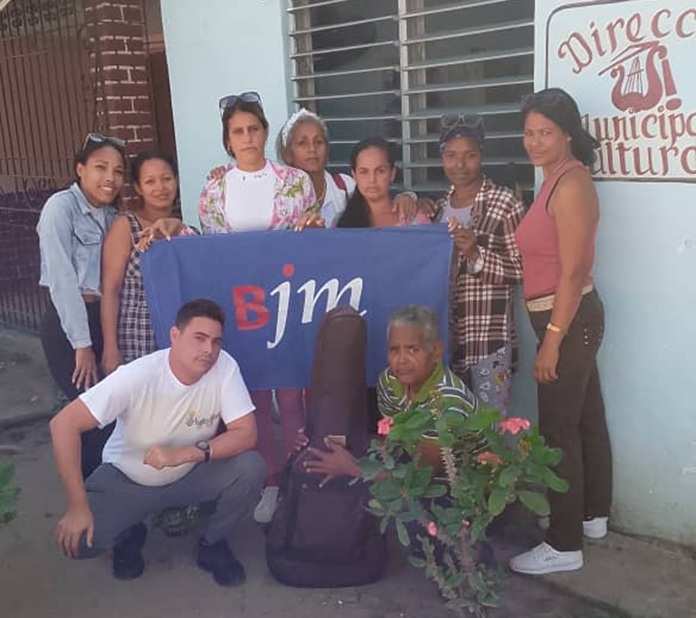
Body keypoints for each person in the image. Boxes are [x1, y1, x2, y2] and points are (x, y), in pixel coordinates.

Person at [49, 298, 266, 586]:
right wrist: (77, 507)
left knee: (251, 468)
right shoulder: (138, 375)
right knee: (78, 543)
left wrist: (183, 455)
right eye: (199, 338)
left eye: (216, 342)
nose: (209, 350)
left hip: (190, 474)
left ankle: (213, 543)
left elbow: (246, 433)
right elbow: (63, 424)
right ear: (175, 336)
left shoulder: (224, 367)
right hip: (129, 479)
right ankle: (130, 530)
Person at [198, 91, 320, 524]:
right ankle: (269, 482)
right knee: (252, 401)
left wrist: (313, 228)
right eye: (238, 131)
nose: (247, 137)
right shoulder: (214, 190)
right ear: (228, 140)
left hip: (288, 304)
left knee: (292, 397)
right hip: (241, 310)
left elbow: (314, 243)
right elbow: (210, 254)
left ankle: (299, 480)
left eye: (253, 128)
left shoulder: (295, 182)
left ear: (266, 132)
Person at [510, 88, 612, 575]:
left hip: (567, 320)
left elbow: (571, 273)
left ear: (567, 134)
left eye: (545, 133)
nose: (534, 142)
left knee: (558, 429)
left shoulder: (570, 184)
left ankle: (563, 544)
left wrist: (551, 340)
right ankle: (591, 517)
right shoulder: (556, 178)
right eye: (529, 133)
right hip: (569, 318)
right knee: (586, 417)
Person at [299, 306, 479, 484]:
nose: (402, 359)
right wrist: (320, 442)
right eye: (394, 350)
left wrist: (352, 468)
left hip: (461, 485)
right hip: (412, 464)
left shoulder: (448, 400)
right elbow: (392, 442)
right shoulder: (390, 380)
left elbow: (421, 477)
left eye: (413, 349)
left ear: (436, 351)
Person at [37, 133, 126, 479]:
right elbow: (62, 280)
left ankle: (108, 495)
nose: (110, 178)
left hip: (102, 319)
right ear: (80, 169)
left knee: (113, 413)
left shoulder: (111, 216)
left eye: (118, 171)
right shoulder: (60, 208)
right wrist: (82, 344)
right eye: (101, 167)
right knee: (93, 416)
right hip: (69, 326)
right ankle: (91, 499)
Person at [437, 113, 525, 414]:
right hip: (447, 342)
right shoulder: (437, 210)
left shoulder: (506, 204)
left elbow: (521, 269)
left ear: (482, 156)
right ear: (442, 158)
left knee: (490, 430)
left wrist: (477, 254)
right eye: (451, 155)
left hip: (489, 342)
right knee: (451, 428)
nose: (460, 164)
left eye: (469, 155)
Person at [101, 150, 193, 376]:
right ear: (138, 188)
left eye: (166, 178)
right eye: (150, 181)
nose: (160, 187)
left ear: (176, 180)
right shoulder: (126, 226)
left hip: (179, 340)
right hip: (137, 338)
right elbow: (110, 290)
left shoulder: (186, 231)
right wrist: (110, 347)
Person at [275, 109, 419, 227]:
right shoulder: (279, 197)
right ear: (288, 153)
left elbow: (378, 196)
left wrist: (408, 198)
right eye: (302, 143)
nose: (312, 149)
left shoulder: (345, 186)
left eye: (319, 142)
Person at [336, 137, 430, 229]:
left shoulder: (415, 220)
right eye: (364, 172)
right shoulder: (343, 224)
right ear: (354, 176)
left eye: (380, 171)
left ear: (392, 173)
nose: (372, 180)